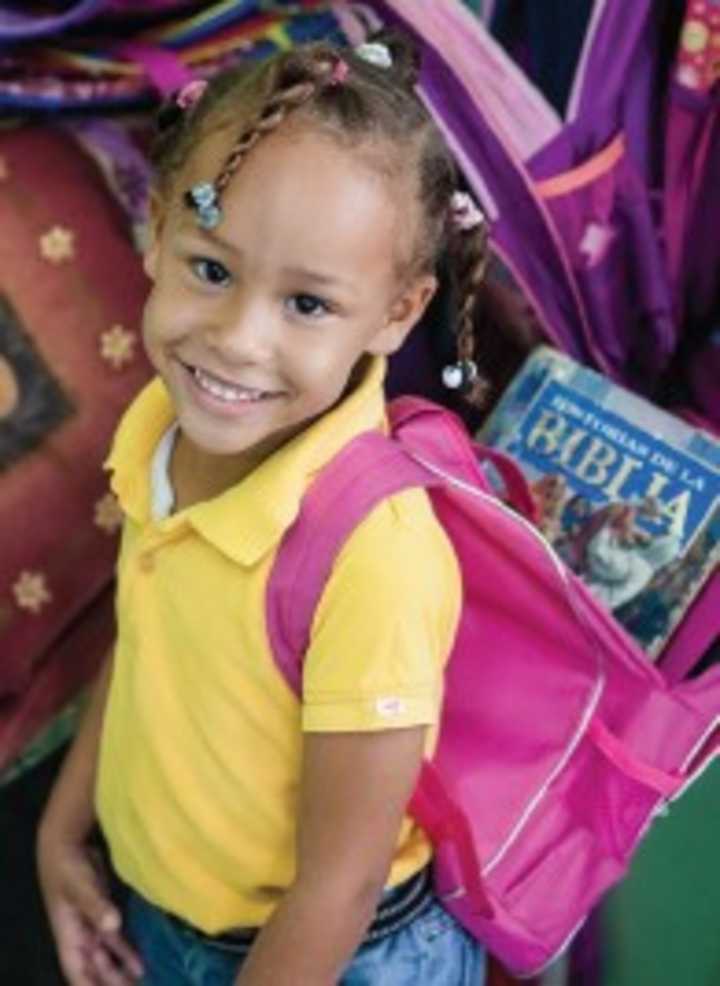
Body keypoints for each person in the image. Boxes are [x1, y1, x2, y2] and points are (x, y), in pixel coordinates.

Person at [36, 34, 489, 986]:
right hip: (164, 912)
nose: (237, 343)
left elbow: (340, 884)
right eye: (211, 268)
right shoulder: (164, 422)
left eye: (309, 305)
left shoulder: (376, 556)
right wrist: (61, 833)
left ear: (399, 313)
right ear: (157, 230)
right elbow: (153, 636)